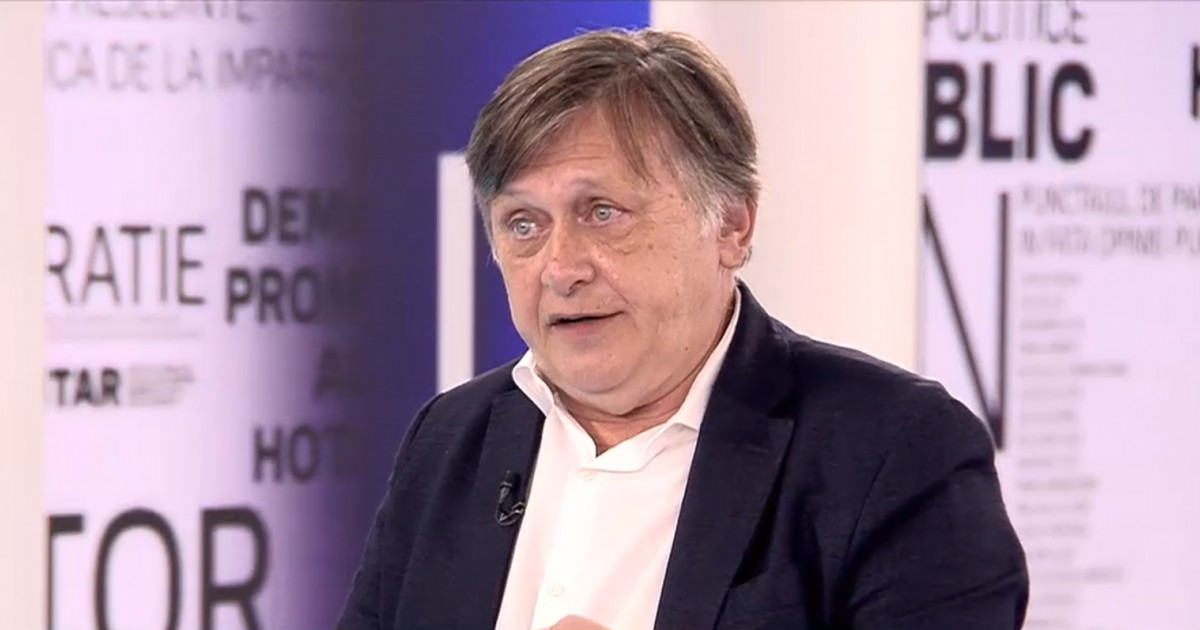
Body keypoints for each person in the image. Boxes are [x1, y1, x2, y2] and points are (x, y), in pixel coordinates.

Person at [336, 27, 1028, 630]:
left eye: (602, 212)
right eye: (524, 224)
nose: (561, 267)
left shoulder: (891, 450)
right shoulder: (451, 440)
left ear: (732, 224)